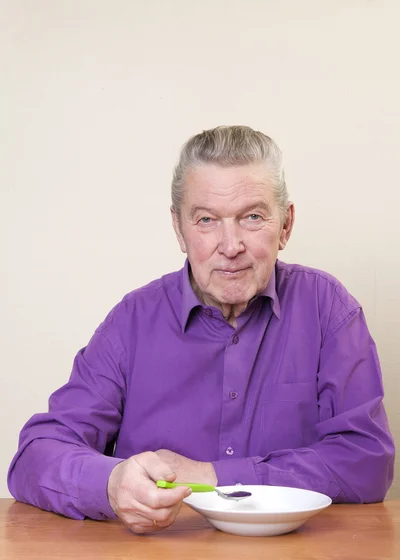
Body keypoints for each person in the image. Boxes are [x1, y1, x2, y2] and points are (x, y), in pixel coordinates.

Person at [8, 126, 395, 534]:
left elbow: (366, 460)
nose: (230, 246)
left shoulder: (328, 309)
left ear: (285, 225)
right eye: (207, 219)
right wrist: (111, 484)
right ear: (179, 229)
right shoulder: (132, 321)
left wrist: (211, 474)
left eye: (252, 217)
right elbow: (36, 455)